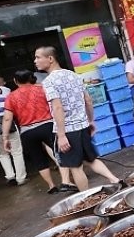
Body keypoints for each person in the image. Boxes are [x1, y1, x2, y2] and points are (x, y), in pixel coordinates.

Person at [34, 46, 120, 191]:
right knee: (91, 159)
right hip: (82, 126)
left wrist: (61, 135)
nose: (35, 61)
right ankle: (116, 180)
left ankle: (86, 197)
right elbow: (88, 100)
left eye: (38, 57)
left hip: (68, 131)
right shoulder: (74, 75)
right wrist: (90, 120)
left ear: (50, 58)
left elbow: (58, 108)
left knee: (76, 167)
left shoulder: (49, 82)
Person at [2, 69, 76, 193]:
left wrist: (5, 137)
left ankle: (51, 186)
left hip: (27, 132)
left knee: (38, 159)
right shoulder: (42, 89)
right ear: (31, 78)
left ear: (15, 81)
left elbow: (7, 117)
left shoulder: (11, 96)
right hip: (47, 126)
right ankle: (65, 181)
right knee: (60, 152)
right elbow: (56, 105)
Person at [0, 76, 27, 186]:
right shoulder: (6, 91)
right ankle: (21, 178)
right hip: (8, 123)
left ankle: (10, 176)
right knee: (16, 152)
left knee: (2, 154)